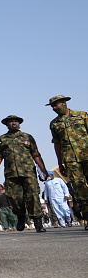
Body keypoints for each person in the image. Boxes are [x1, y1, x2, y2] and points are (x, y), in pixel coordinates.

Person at [0, 115, 50, 233]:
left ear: (19, 123)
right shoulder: (2, 139)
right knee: (14, 199)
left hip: (28, 173)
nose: (13, 123)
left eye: (16, 121)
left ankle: (38, 223)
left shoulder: (27, 137)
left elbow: (36, 154)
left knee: (33, 197)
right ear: (6, 124)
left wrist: (43, 169)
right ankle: (21, 216)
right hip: (11, 174)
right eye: (11, 122)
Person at [47, 95, 88, 229]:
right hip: (70, 160)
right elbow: (57, 144)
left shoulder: (82, 115)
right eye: (52, 106)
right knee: (79, 188)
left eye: (55, 105)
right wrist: (60, 163)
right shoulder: (54, 124)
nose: (53, 108)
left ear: (64, 103)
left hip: (86, 155)